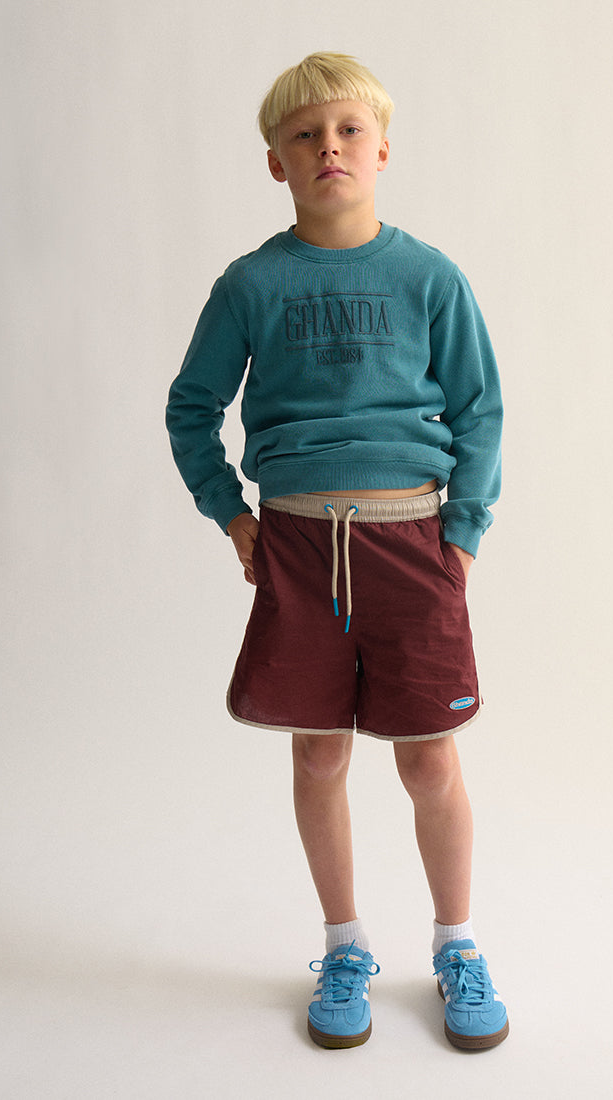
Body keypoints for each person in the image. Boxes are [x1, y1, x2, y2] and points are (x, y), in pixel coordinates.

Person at [166, 52, 508, 1051]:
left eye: (349, 129)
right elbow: (191, 408)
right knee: (318, 751)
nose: (330, 148)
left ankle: (457, 941)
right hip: (298, 544)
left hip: (413, 541)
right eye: (305, 135)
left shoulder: (429, 276)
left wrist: (462, 537)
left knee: (429, 757)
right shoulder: (252, 283)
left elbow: (481, 410)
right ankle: (345, 944)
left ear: (383, 149)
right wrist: (232, 514)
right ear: (276, 161)